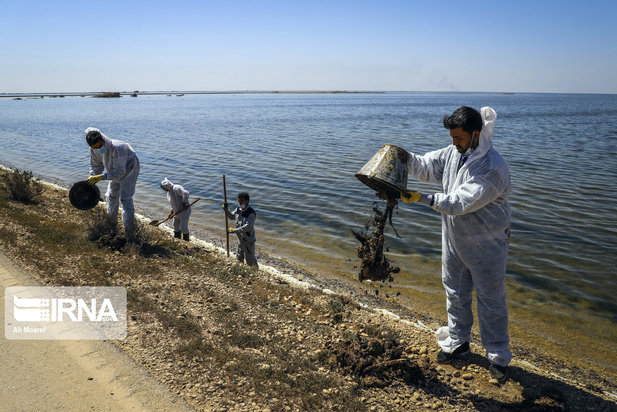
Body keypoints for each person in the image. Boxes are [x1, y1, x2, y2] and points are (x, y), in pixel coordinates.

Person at [400, 106, 511, 383]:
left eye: (459, 138)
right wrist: (403, 156)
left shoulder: (492, 168)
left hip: (487, 243)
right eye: (451, 137)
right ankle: (458, 343)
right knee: (454, 290)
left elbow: (460, 202)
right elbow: (426, 166)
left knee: (491, 298)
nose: (454, 143)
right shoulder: (455, 153)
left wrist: (422, 199)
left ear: (476, 134)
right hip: (454, 237)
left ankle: (497, 357)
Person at [86, 127, 140, 231]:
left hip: (129, 169)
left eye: (100, 145)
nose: (98, 148)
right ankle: (111, 224)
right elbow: (96, 166)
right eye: (95, 147)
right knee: (111, 196)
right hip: (114, 170)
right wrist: (93, 177)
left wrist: (101, 177)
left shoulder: (117, 147)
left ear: (102, 139)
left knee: (125, 198)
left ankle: (129, 230)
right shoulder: (93, 150)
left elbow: (120, 171)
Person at [222, 192, 258, 267]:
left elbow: (248, 227)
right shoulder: (238, 209)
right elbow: (232, 216)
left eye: (241, 201)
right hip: (240, 240)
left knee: (250, 261)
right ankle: (240, 271)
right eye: (239, 201)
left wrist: (234, 230)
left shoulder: (251, 213)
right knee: (239, 258)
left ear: (247, 201)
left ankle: (254, 273)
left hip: (248, 241)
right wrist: (226, 209)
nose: (240, 202)